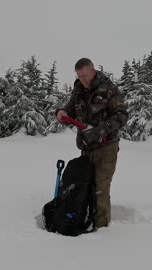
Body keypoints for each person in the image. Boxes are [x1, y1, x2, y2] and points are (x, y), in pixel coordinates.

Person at [55, 58, 128, 228]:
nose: (83, 80)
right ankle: (84, 218)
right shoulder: (78, 90)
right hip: (86, 148)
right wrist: (61, 112)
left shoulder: (109, 89)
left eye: (85, 76)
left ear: (93, 71)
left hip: (107, 146)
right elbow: (69, 109)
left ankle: (101, 228)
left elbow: (122, 116)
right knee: (85, 184)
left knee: (100, 188)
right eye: (79, 76)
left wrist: (99, 131)